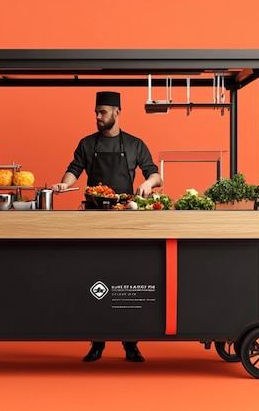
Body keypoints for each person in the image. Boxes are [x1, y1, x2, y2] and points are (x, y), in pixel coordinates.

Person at [51, 91, 162, 362]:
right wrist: (65, 183)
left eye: (103, 112)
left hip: (125, 215)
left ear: (117, 113)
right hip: (93, 216)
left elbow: (155, 173)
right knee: (94, 278)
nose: (98, 117)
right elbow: (74, 168)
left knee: (128, 280)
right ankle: (96, 342)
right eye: (96, 112)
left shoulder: (135, 144)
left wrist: (149, 183)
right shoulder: (87, 144)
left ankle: (131, 343)